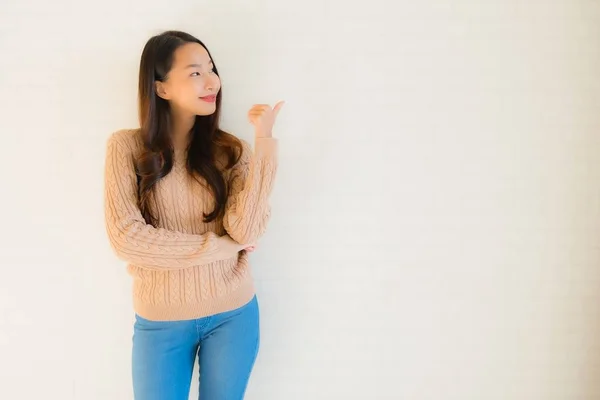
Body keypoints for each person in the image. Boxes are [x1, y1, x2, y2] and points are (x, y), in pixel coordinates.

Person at [103, 30, 283, 400]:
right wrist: (220, 248)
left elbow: (246, 228)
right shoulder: (125, 147)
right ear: (162, 88)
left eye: (211, 69)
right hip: (161, 321)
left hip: (234, 314)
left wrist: (264, 144)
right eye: (195, 72)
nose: (211, 80)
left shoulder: (231, 150)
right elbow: (126, 238)